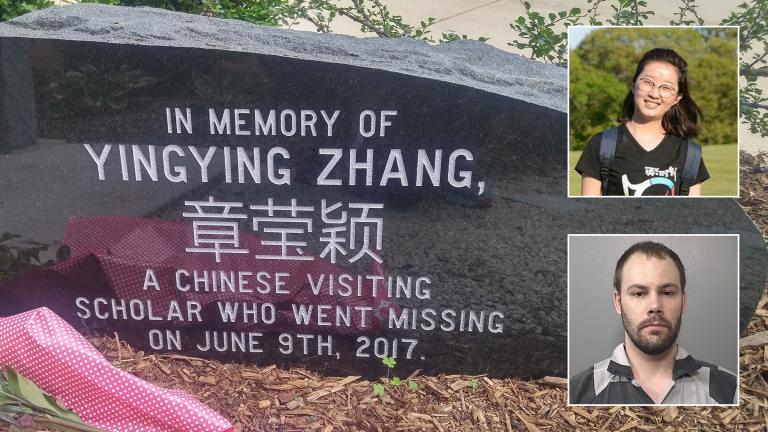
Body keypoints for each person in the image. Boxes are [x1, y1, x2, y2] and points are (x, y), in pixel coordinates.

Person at [569, 241, 737, 405]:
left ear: (683, 302)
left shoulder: (731, 390)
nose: (655, 306)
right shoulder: (576, 394)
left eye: (667, 292)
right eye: (639, 294)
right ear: (618, 303)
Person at [575, 48, 709, 196]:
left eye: (666, 87)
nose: (654, 93)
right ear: (633, 85)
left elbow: (691, 216)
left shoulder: (690, 154)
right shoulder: (602, 144)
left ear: (677, 98)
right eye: (647, 82)